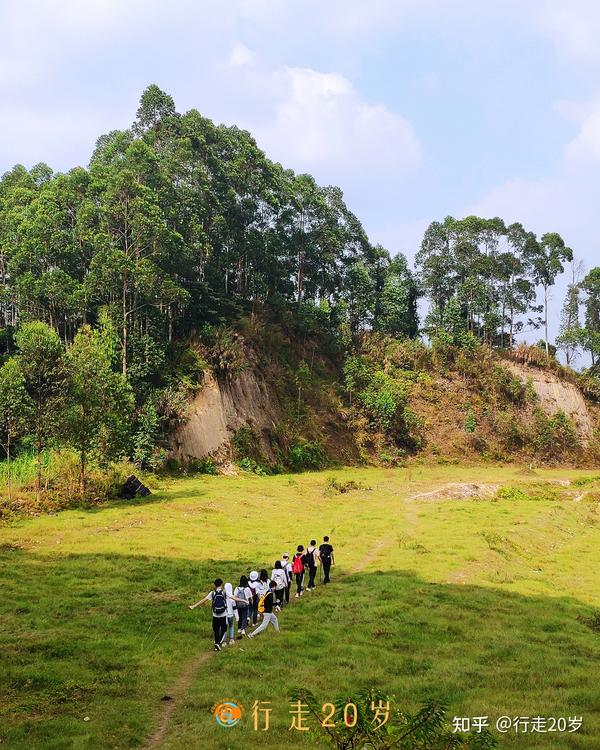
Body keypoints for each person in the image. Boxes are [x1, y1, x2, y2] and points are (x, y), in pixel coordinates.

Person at [188, 578, 245, 651]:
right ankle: (218, 643)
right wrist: (244, 600)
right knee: (224, 629)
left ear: (215, 585)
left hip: (215, 615)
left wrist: (193, 606)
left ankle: (217, 644)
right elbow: (234, 598)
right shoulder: (224, 592)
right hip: (223, 614)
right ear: (221, 584)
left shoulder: (212, 593)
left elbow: (203, 600)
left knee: (216, 630)